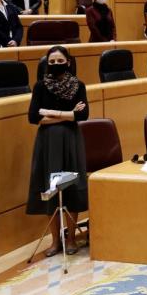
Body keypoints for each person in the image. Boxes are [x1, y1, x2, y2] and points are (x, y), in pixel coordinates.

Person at [26, 45, 90, 257]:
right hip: (47, 142)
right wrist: (68, 113)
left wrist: (51, 114)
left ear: (68, 62)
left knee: (72, 186)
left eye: (59, 61)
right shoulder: (40, 86)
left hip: (71, 139)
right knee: (50, 188)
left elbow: (83, 116)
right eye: (51, 62)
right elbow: (34, 117)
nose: (55, 65)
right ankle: (55, 241)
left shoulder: (78, 86)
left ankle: (71, 238)